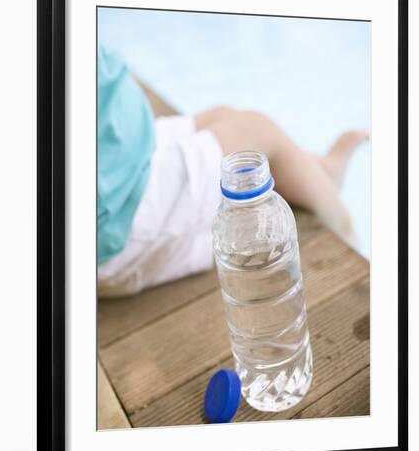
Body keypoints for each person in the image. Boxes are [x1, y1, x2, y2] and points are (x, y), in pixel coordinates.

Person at [97, 46, 368, 298]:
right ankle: (347, 234)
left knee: (222, 115)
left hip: (126, 153)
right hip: (121, 215)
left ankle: (321, 173)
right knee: (257, 132)